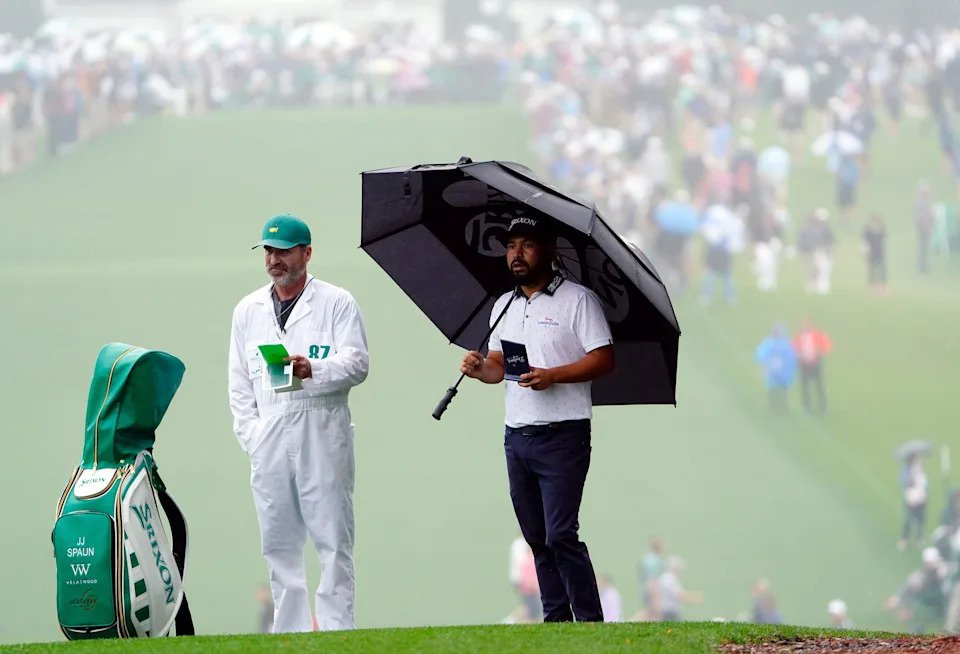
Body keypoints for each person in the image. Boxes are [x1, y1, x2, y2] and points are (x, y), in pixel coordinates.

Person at [459, 216, 615, 622]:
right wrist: (479, 369)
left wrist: (553, 376)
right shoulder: (504, 305)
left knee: (561, 534)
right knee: (536, 537)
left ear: (548, 250)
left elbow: (603, 357)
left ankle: (590, 621)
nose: (517, 254)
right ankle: (557, 621)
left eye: (527, 245)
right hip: (517, 435)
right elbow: (499, 367)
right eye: (511, 246)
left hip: (565, 434)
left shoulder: (577, 300)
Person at [228, 214, 370, 632]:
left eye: (284, 250)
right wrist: (251, 435)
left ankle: (336, 628)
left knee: (332, 535)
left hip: (322, 428)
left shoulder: (337, 302)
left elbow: (358, 363)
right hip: (268, 433)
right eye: (269, 251)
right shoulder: (247, 310)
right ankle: (286, 631)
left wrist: (314, 369)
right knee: (278, 541)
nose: (275, 259)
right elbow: (239, 382)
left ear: (307, 253)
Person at [792, 319, 832, 416]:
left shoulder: (817, 335)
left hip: (815, 363)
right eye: (802, 326)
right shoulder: (799, 337)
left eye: (805, 326)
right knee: (805, 386)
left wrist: (821, 352)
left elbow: (826, 345)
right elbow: (793, 349)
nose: (803, 328)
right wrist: (798, 356)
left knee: (819, 385)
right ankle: (806, 407)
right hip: (804, 364)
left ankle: (823, 407)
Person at [755, 325, 798, 412]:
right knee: (773, 388)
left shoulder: (785, 343)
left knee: (782, 389)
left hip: (782, 370)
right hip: (772, 369)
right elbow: (760, 354)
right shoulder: (769, 343)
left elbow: (792, 355)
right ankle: (774, 407)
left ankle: (783, 407)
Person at [899, 454, 929, 551]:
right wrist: (913, 475)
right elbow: (906, 483)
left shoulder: (921, 472)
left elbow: (925, 484)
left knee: (920, 520)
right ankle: (904, 539)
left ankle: (919, 539)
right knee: (908, 520)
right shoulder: (906, 471)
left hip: (921, 499)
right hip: (911, 499)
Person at [509, 534, 542, 622]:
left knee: (531, 609)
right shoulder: (519, 544)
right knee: (530, 609)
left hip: (528, 584)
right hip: (525, 585)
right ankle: (511, 620)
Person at [862, 213, 888, 293]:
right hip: (872, 253)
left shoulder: (880, 232)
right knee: (872, 270)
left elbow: (885, 232)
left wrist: (880, 221)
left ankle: (883, 285)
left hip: (880, 253)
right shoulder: (868, 232)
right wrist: (864, 253)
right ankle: (871, 286)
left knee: (881, 270)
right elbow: (864, 242)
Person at [914, 182, 936, 274]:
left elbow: (931, 215)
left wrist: (931, 222)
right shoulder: (920, 203)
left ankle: (925, 264)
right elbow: (918, 217)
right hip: (922, 228)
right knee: (922, 246)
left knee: (925, 246)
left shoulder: (928, 203)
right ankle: (921, 265)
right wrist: (922, 224)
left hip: (927, 227)